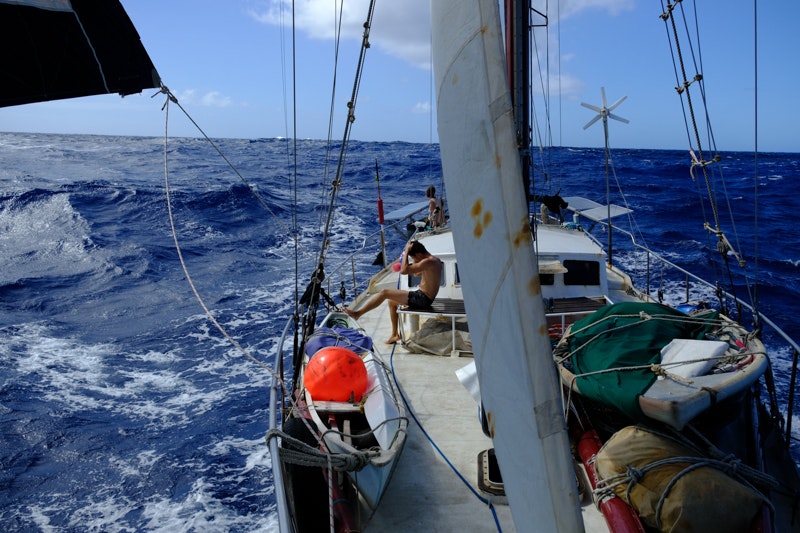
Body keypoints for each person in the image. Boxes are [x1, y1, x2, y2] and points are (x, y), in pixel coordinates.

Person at [344, 240, 442, 344]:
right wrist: (414, 260)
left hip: (422, 298)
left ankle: (358, 314)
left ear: (418, 254)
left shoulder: (428, 262)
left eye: (413, 257)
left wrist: (406, 251)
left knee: (384, 292)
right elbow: (417, 273)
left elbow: (404, 271)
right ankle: (395, 335)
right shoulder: (434, 261)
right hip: (424, 297)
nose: (413, 260)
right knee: (392, 302)